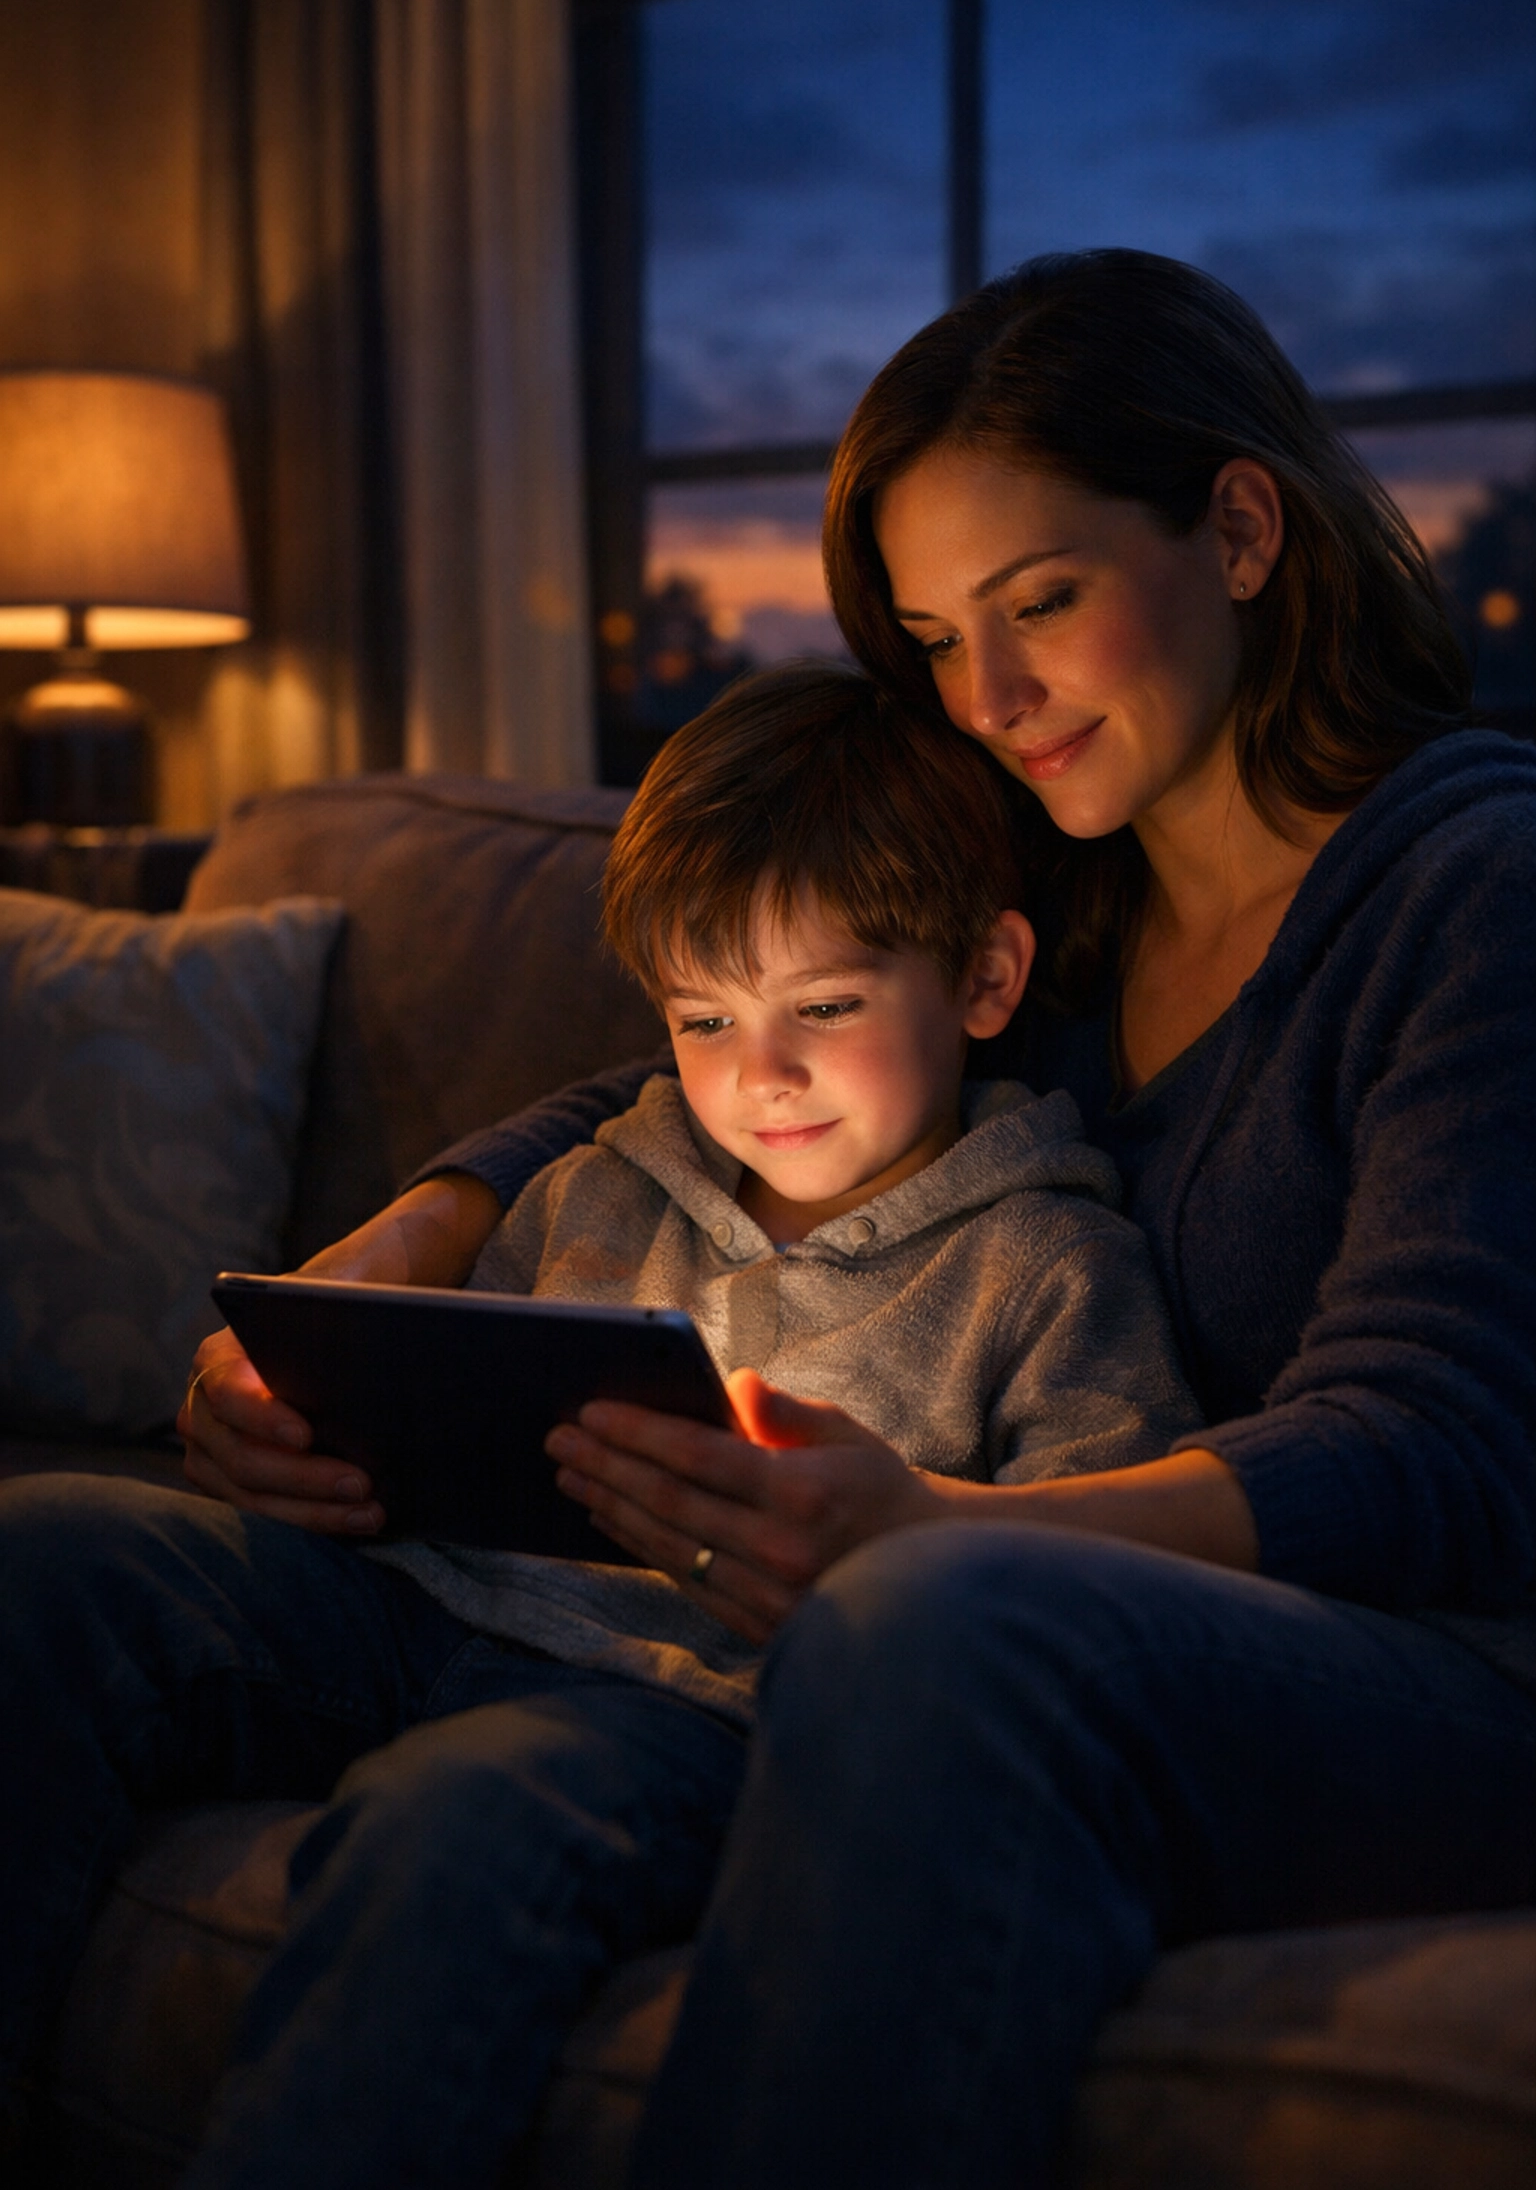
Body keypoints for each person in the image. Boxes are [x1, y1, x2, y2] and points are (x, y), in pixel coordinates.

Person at [180, 251, 1536, 2186]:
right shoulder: (1064, 912)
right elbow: (681, 1081)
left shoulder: (1476, 885)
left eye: (1040, 603)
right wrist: (408, 1240)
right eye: (932, 640)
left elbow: (1439, 1450)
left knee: (928, 1625)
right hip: (1029, 1595)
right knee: (76, 1571)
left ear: (1242, 528)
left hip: (1439, 1672)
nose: (988, 701)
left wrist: (947, 1532)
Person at [0, 661, 1199, 2189]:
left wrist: (876, 1539)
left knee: (456, 1815)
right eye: (704, 1017)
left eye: (825, 1006)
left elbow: (1084, 1601)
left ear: (983, 978)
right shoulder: (602, 1177)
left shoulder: (1047, 1266)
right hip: (416, 1598)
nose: (761, 1077)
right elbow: (451, 1384)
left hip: (681, 1704)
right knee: (50, 1558)